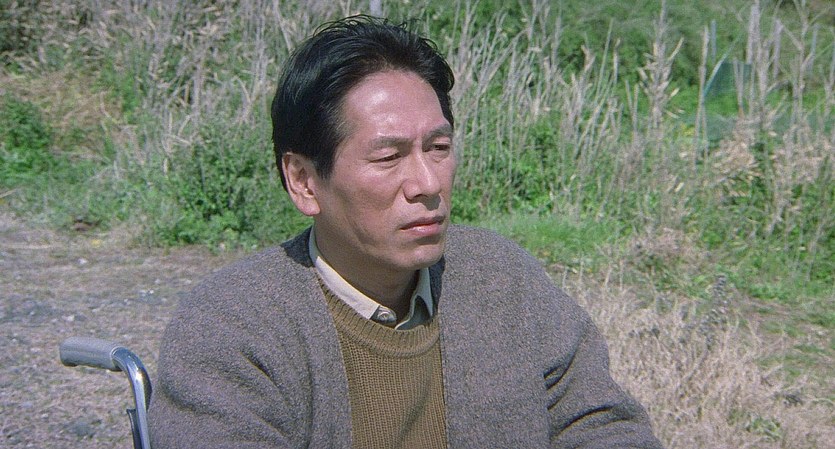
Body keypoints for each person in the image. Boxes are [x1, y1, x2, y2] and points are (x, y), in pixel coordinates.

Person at [149, 16, 663, 449]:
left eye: (438, 149)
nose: (427, 183)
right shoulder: (233, 328)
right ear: (304, 181)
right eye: (388, 156)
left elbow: (602, 425)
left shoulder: (503, 280)